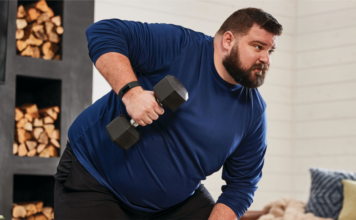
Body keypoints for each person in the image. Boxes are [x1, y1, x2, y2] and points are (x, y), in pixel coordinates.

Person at [54, 7, 282, 220]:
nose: (266, 59)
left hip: (172, 206)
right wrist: (131, 93)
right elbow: (104, 31)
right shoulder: (181, 46)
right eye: (258, 47)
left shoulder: (253, 112)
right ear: (228, 40)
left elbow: (241, 185)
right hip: (94, 180)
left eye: (270, 51)